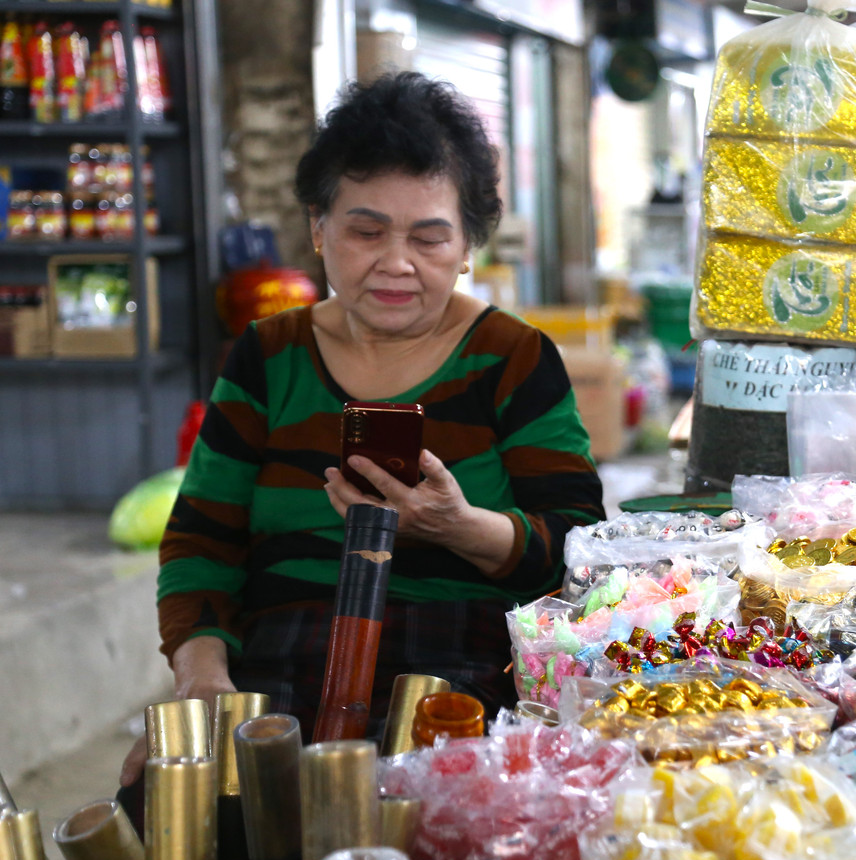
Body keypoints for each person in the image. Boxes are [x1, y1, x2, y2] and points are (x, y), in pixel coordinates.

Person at [119, 71, 605, 788]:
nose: (396, 263)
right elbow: (202, 541)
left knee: (411, 817)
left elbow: (580, 548)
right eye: (366, 231)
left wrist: (459, 527)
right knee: (183, 816)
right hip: (277, 659)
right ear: (319, 228)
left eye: (430, 238)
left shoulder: (512, 357)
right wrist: (201, 679)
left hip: (457, 667)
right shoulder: (267, 356)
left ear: (469, 246)